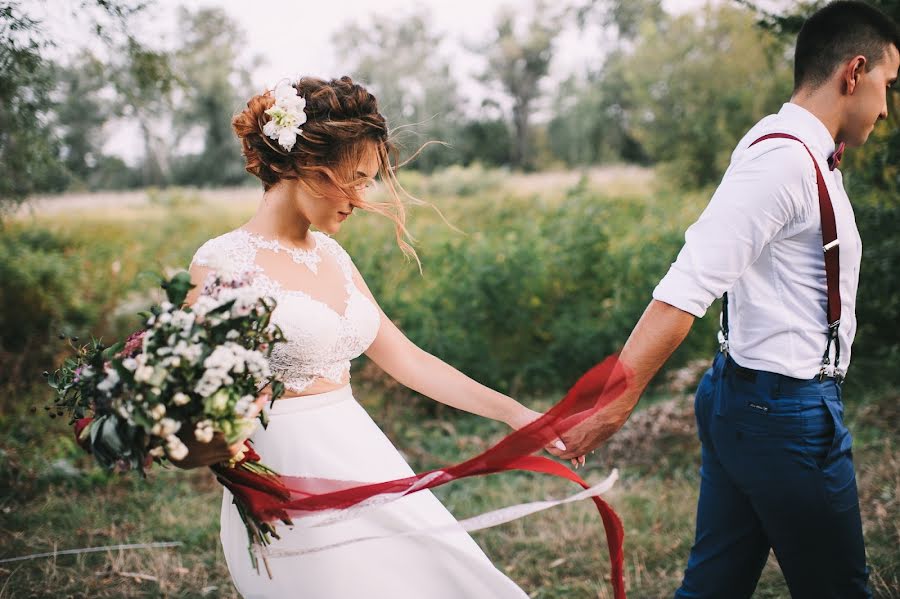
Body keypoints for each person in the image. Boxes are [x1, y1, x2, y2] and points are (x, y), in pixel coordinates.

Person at [177, 75, 581, 598]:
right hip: (290, 482)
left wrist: (517, 414)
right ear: (306, 164)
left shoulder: (333, 255)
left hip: (366, 460)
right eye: (357, 177)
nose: (363, 198)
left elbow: (407, 360)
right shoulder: (221, 264)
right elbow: (193, 404)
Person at [557, 2, 899, 597]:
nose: (887, 107)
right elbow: (684, 290)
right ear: (855, 71)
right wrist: (613, 406)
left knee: (715, 585)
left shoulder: (795, 150)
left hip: (752, 402)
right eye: (887, 87)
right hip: (786, 417)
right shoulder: (782, 161)